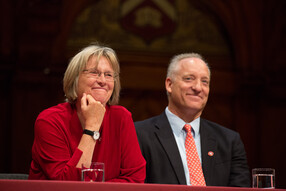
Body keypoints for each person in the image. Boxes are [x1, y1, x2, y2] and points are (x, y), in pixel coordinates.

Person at [28, 44, 146, 182]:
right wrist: (92, 127)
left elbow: (136, 178)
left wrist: (95, 188)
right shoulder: (50, 120)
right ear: (75, 78)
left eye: (108, 75)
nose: (102, 81)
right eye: (94, 73)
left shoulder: (121, 117)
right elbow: (66, 184)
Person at [135, 53, 250, 187]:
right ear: (169, 84)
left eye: (204, 81)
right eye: (189, 79)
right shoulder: (139, 135)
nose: (198, 88)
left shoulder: (229, 141)